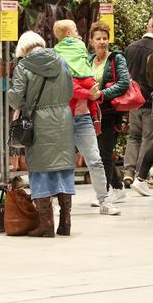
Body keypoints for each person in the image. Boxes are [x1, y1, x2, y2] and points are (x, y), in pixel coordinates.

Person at [8, 31, 75, 237]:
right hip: (63, 120)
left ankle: (46, 224)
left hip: (38, 123)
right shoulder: (62, 62)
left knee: (40, 170)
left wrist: (10, 92)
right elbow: (70, 92)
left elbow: (16, 100)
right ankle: (65, 223)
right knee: (63, 168)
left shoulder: (23, 67)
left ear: (23, 49)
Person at [53, 20, 120, 215]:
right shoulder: (58, 57)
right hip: (64, 117)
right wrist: (88, 93)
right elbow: (65, 87)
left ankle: (104, 201)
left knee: (95, 160)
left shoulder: (80, 55)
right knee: (62, 162)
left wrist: (90, 93)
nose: (78, 34)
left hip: (82, 118)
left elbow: (80, 82)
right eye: (75, 30)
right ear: (68, 33)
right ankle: (57, 202)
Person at [88, 21, 131, 204]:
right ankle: (118, 186)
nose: (102, 42)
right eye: (98, 38)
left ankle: (103, 195)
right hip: (92, 113)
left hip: (110, 113)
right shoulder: (88, 60)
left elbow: (124, 83)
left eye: (105, 38)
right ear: (91, 41)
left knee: (103, 154)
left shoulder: (116, 58)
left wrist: (101, 95)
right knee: (99, 153)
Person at [123, 18, 153, 195]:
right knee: (148, 138)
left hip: (133, 100)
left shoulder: (131, 47)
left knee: (133, 136)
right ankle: (139, 175)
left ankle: (128, 171)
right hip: (150, 101)